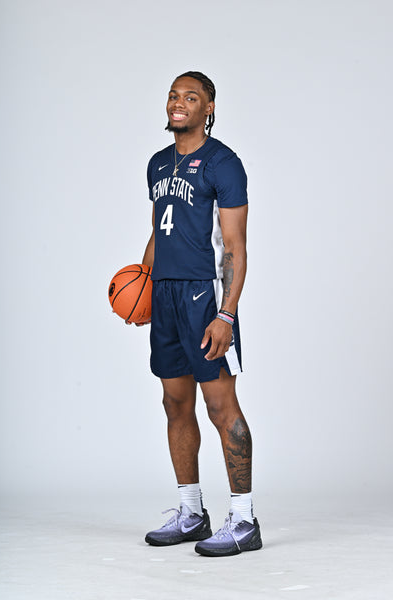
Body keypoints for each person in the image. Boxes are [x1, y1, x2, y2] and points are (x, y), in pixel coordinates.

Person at [135, 71, 262, 557]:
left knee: (220, 406)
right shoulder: (157, 164)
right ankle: (191, 513)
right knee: (174, 403)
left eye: (191, 97)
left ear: (209, 108)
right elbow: (159, 231)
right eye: (173, 95)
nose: (178, 102)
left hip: (204, 297)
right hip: (165, 295)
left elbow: (235, 247)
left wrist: (226, 315)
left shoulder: (223, 163)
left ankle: (244, 520)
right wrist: (143, 285)